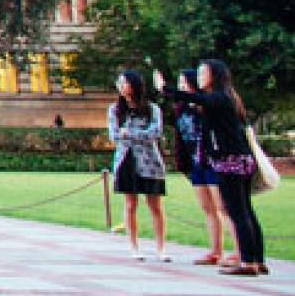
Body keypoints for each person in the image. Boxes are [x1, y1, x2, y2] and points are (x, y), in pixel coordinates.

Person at [155, 62, 267, 277]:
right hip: (238, 159)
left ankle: (248, 262)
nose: (199, 77)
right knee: (245, 211)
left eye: (203, 73)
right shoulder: (226, 97)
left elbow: (195, 98)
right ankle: (257, 259)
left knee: (237, 212)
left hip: (230, 161)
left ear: (214, 76)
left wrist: (165, 88)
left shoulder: (219, 97)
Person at [172, 69, 235, 267]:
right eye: (179, 83)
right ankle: (215, 250)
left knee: (223, 207)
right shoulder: (181, 109)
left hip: (213, 162)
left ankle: (238, 251)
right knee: (207, 208)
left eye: (185, 83)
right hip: (195, 163)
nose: (182, 86)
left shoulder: (206, 105)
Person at [109, 69, 168, 262]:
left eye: (124, 83)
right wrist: (134, 135)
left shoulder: (152, 109)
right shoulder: (115, 110)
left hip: (150, 161)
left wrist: (130, 134)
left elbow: (155, 132)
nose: (120, 87)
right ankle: (134, 246)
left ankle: (161, 247)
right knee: (130, 204)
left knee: (155, 205)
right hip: (126, 160)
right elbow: (115, 135)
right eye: (119, 83)